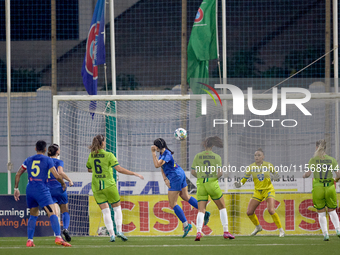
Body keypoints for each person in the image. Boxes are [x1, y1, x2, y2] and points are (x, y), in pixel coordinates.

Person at [86, 134, 144, 242]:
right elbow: (119, 169)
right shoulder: (109, 155)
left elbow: (89, 169)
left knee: (106, 212)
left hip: (97, 186)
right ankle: (119, 231)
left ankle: (111, 235)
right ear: (103, 143)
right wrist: (134, 173)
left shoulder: (91, 155)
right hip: (109, 185)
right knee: (117, 209)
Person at [14, 140, 71, 247]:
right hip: (41, 190)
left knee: (33, 215)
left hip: (30, 189)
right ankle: (58, 237)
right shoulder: (48, 160)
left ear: (35, 148)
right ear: (45, 149)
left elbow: (18, 174)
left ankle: (30, 240)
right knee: (52, 213)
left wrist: (16, 189)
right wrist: (63, 183)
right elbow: (57, 175)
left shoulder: (28, 159)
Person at [151, 138, 210, 238]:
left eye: (154, 146)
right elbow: (162, 167)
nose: (153, 147)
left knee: (172, 203)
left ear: (157, 146)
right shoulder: (164, 152)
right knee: (185, 196)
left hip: (175, 177)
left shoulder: (165, 154)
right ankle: (204, 211)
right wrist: (165, 179)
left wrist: (153, 153)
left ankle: (186, 225)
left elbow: (157, 165)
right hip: (179, 173)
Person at [191, 136, 235, 241]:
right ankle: (226, 231)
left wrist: (201, 178)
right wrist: (212, 179)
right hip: (212, 184)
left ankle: (198, 232)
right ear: (213, 145)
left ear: (205, 145)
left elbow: (193, 172)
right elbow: (220, 173)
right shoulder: (216, 157)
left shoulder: (198, 156)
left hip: (201, 185)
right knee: (222, 207)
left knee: (201, 210)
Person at [234, 148, 284, 237]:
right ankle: (258, 227)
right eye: (255, 155)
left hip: (268, 190)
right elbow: (244, 179)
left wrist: (276, 178)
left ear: (263, 157)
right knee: (249, 212)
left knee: (271, 210)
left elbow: (276, 175)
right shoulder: (251, 167)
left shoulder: (268, 165)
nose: (256, 157)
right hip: (258, 192)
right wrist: (240, 184)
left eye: (259, 155)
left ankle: (281, 230)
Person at [303, 139, 340, 241]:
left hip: (318, 187)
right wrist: (335, 180)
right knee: (332, 210)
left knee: (321, 212)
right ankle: (338, 230)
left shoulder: (313, 160)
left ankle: (326, 234)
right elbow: (338, 174)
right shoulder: (332, 159)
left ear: (316, 148)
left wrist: (304, 175)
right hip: (330, 187)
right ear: (325, 148)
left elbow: (308, 174)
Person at [47, 144, 74, 242]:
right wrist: (69, 180)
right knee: (65, 210)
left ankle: (57, 235)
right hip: (59, 189)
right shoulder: (59, 161)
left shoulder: (46, 161)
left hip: (49, 190)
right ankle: (65, 229)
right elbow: (60, 173)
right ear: (57, 151)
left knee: (54, 214)